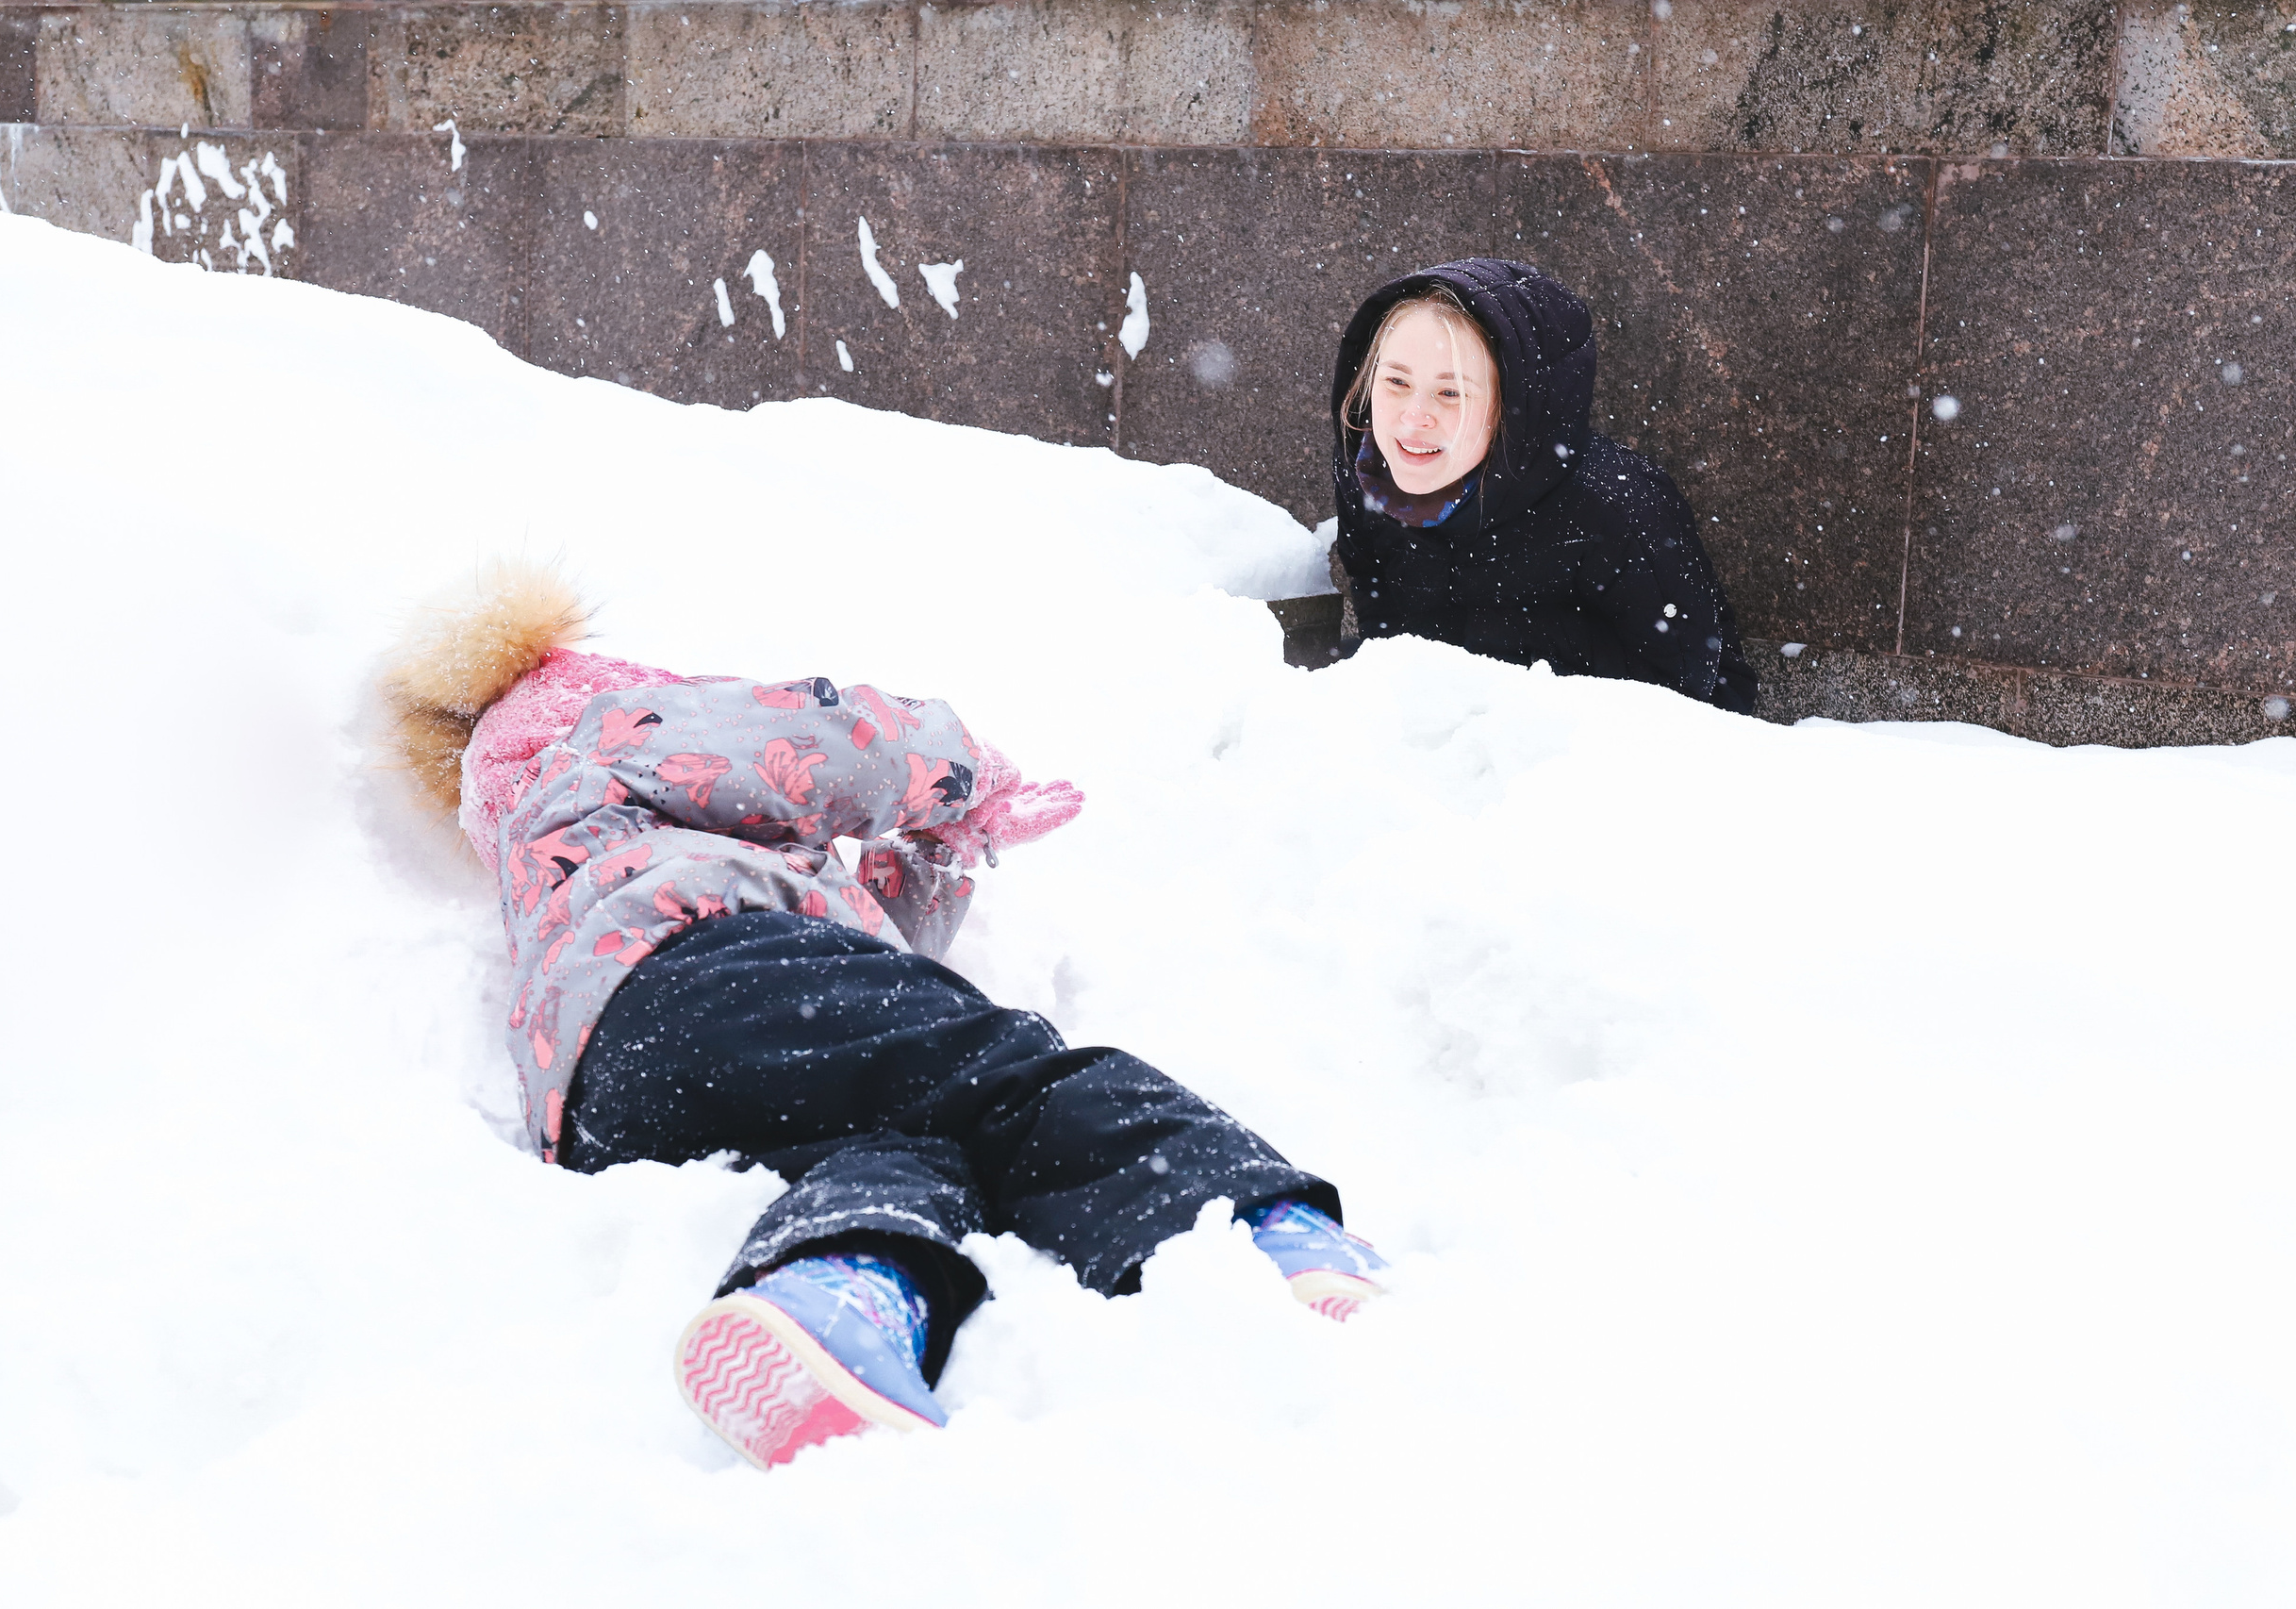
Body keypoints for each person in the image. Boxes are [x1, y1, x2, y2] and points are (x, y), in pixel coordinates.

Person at [379, 565, 1386, 1470]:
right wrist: (966, 773)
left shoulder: (556, 854)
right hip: (719, 964)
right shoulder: (610, 733)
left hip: (610, 1087)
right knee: (1009, 1076)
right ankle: (1256, 1229)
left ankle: (840, 1290)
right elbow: (818, 736)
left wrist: (943, 850)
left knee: (893, 1135)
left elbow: (873, 955)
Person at [1330, 258, 1758, 714]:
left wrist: (1504, 654)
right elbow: (1383, 622)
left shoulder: (1613, 508)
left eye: (1450, 392)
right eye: (1396, 381)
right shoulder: (1373, 474)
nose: (1414, 417)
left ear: (1510, 407)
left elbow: (1697, 693)